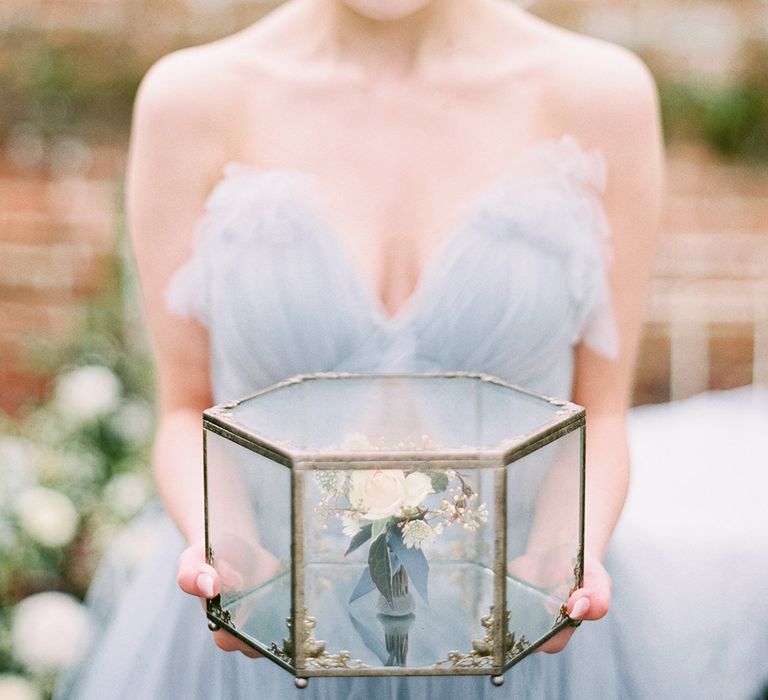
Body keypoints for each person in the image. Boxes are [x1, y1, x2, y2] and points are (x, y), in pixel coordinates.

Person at [57, 0, 667, 697]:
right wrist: (224, 550)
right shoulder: (192, 101)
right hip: (268, 640)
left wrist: (565, 556)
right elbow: (185, 408)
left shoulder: (600, 95)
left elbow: (602, 413)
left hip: (509, 635)